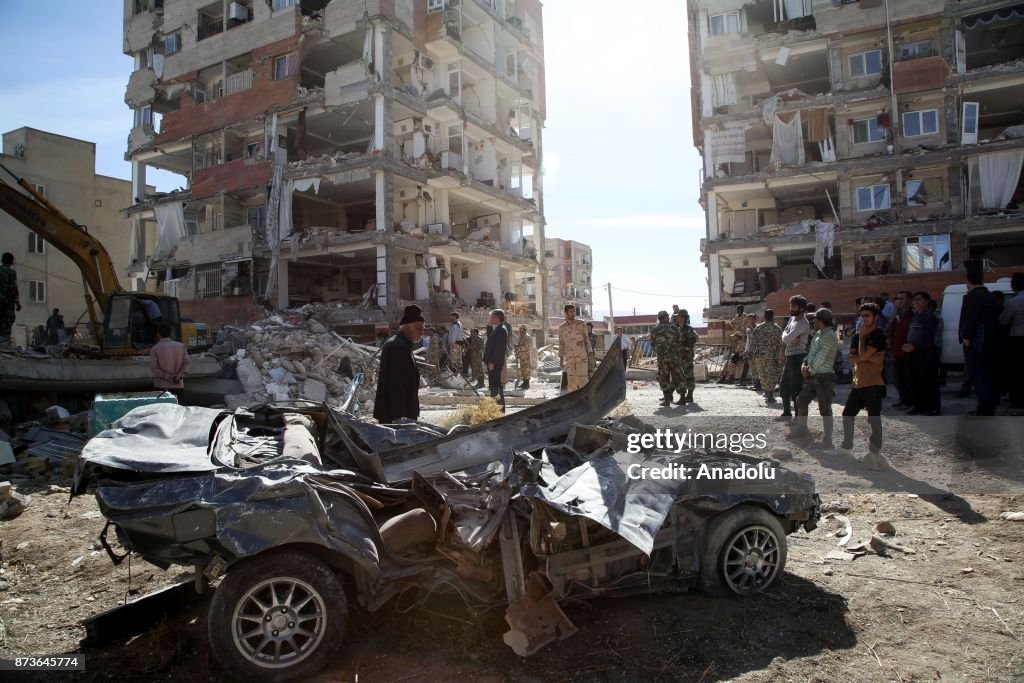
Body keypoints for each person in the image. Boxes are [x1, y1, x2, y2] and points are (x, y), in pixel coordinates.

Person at [840, 302, 886, 456]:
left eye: (867, 315)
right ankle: (847, 446)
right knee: (847, 414)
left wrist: (863, 340)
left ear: (875, 317)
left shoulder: (879, 334)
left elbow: (862, 355)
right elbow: (852, 359)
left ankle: (875, 452)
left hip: (873, 382)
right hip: (858, 382)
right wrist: (867, 356)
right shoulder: (857, 336)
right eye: (862, 316)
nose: (864, 319)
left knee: (873, 418)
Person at [789, 308, 839, 447]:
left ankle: (827, 440)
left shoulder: (829, 336)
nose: (814, 321)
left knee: (825, 408)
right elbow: (811, 354)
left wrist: (808, 369)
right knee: (802, 400)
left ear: (821, 320)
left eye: (816, 319)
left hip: (824, 377)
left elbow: (821, 358)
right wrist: (804, 366)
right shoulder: (819, 333)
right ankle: (802, 429)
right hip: (814, 375)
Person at [373, 305, 424, 423]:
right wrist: (401, 419)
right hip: (397, 416)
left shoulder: (396, 343)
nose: (422, 333)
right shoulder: (399, 348)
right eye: (419, 329)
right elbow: (396, 386)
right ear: (407, 328)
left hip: (392, 413)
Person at [959, 264, 998, 415]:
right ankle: (989, 405)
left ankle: (984, 407)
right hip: (989, 342)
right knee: (987, 375)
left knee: (978, 375)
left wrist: (967, 337)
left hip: (976, 343)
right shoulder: (989, 295)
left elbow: (970, 318)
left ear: (968, 280)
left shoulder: (972, 296)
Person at [902, 292, 940, 416]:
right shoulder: (915, 317)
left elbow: (928, 336)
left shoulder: (930, 317)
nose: (915, 302)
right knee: (915, 380)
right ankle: (918, 406)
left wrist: (915, 346)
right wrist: (906, 344)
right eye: (914, 300)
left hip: (926, 353)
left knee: (928, 381)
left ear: (927, 301)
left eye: (918, 300)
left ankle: (932, 407)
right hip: (914, 354)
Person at [778, 295, 810, 421]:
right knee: (784, 386)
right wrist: (789, 338)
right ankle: (787, 413)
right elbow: (784, 336)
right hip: (789, 356)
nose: (791, 308)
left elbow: (786, 338)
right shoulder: (792, 320)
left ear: (802, 309)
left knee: (796, 388)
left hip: (798, 357)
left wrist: (788, 337)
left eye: (794, 306)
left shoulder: (803, 323)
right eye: (791, 306)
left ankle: (798, 419)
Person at [748, 309, 785, 402]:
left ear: (764, 317)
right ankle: (770, 395)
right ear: (773, 317)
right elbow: (782, 343)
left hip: (759, 356)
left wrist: (751, 355)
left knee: (763, 375)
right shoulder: (777, 328)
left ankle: (766, 392)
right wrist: (782, 355)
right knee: (771, 375)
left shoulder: (758, 328)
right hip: (772, 356)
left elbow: (752, 343)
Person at [649, 311, 685, 406]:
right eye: (668, 317)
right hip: (674, 357)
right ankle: (682, 398)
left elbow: (652, 344)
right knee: (678, 376)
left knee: (663, 377)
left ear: (659, 318)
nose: (669, 318)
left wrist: (659, 350)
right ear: (665, 318)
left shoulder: (654, 330)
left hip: (662, 358)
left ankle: (667, 400)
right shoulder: (674, 328)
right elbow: (680, 340)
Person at [999, 272, 1024, 408]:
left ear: (1014, 286)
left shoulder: (1013, 302)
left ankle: (1017, 399)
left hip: (1018, 339)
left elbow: (1003, 321)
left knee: (1016, 371)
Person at [558, 304, 594, 392]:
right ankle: (575, 402)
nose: (573, 313)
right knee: (572, 384)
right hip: (570, 360)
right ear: (566, 313)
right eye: (571, 312)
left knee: (583, 382)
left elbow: (586, 340)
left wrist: (590, 354)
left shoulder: (581, 324)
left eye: (574, 311)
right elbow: (561, 344)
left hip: (582, 358)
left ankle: (585, 400)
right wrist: (561, 360)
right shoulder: (561, 328)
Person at [888, 291, 914, 409]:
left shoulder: (913, 315)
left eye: (902, 299)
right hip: (897, 352)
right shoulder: (897, 315)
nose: (899, 301)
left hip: (909, 353)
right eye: (898, 299)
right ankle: (903, 399)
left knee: (909, 378)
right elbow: (890, 331)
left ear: (909, 300)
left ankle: (910, 401)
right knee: (898, 378)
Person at [149, 322, 191, 396]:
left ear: (158, 334)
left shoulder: (155, 349)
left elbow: (155, 368)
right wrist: (178, 376)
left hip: (161, 386)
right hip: (178, 385)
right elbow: (187, 364)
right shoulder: (181, 346)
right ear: (170, 333)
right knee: (178, 406)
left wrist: (169, 377)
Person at [484, 309, 509, 399]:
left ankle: (498, 407)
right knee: (493, 385)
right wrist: (489, 326)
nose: (490, 319)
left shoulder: (501, 330)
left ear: (497, 318)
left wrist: (493, 362)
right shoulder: (497, 328)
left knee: (496, 385)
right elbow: (491, 339)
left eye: (492, 317)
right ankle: (495, 406)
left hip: (495, 363)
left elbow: (499, 348)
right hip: (493, 362)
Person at [676, 310, 700, 404]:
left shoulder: (688, 329)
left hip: (686, 356)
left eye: (679, 316)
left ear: (683, 318)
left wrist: (688, 347)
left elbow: (695, 338)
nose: (677, 318)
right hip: (680, 356)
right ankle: (684, 396)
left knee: (688, 376)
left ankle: (688, 396)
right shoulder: (679, 328)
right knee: (681, 376)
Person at [0, 252, 21, 344]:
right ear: (12, 261)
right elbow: (13, 287)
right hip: (7, 303)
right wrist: (17, 303)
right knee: (7, 324)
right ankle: (3, 345)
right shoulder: (11, 272)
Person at [514, 325, 534, 390]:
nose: (520, 331)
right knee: (523, 370)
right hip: (522, 356)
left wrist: (518, 347)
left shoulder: (527, 337)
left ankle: (526, 383)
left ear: (524, 330)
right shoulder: (521, 337)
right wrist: (517, 346)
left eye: (521, 330)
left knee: (526, 370)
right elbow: (521, 345)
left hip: (526, 356)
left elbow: (526, 347)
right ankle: (524, 382)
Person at [447, 311, 466, 377]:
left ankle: (455, 374)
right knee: (458, 360)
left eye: (451, 316)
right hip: (458, 344)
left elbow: (454, 334)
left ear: (454, 316)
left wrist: (452, 342)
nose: (450, 317)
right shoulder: (459, 323)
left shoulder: (455, 324)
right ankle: (458, 374)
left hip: (455, 344)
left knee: (454, 360)